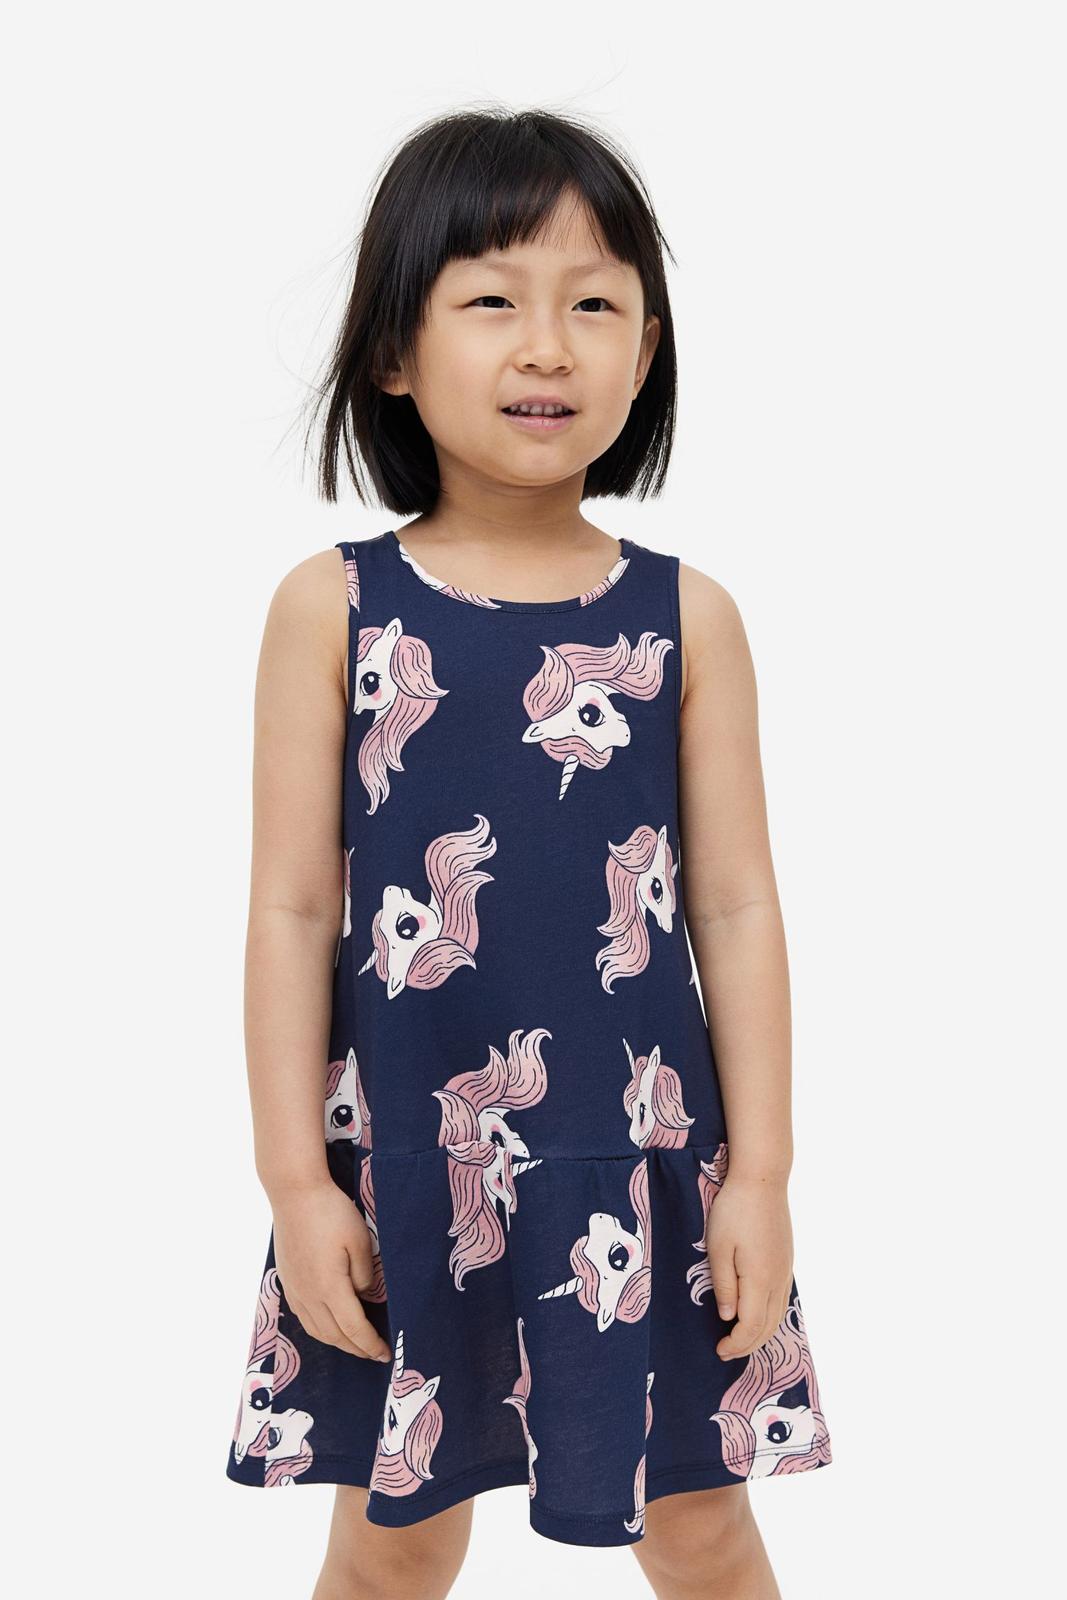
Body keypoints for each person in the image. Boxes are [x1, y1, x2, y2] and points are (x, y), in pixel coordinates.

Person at [225, 105, 833, 1599]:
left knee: (701, 1528)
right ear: (394, 346)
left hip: (640, 1160)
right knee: (392, 1541)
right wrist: (299, 1183)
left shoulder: (687, 619)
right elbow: (293, 910)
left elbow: (736, 908)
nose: (547, 347)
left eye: (596, 305)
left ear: (646, 350)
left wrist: (762, 1174)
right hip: (410, 1161)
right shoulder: (332, 607)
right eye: (493, 300)